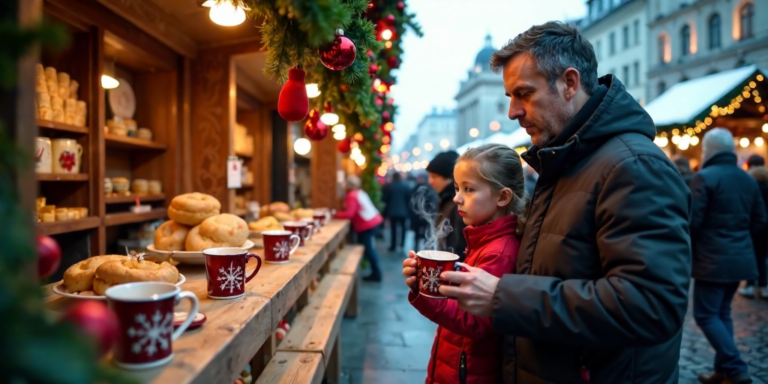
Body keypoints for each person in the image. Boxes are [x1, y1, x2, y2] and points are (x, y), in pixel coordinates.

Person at [437, 21, 692, 383]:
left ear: (569, 84)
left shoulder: (633, 166)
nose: (512, 111)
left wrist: (503, 296)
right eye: (509, 96)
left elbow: (651, 305)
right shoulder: (564, 161)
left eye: (523, 94)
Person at [402, 143, 524, 384]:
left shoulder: (499, 252)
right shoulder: (482, 240)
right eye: (457, 188)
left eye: (468, 189)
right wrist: (425, 280)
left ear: (502, 196)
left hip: (467, 372)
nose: (457, 198)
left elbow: (474, 322)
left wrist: (426, 292)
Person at [688, 129, 767, 384]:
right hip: (740, 258)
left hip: (712, 260)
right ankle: (723, 372)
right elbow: (760, 221)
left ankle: (735, 367)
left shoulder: (704, 178)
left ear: (708, 150)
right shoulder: (748, 180)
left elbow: (693, 223)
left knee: (706, 315)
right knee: (721, 313)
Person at [334, 176, 384, 282]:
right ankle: (375, 273)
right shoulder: (359, 192)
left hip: (368, 225)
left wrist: (334, 214)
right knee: (370, 248)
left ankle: (377, 274)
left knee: (370, 249)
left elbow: (349, 214)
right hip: (373, 221)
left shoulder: (351, 196)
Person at [425, 151, 467, 259]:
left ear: (449, 177)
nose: (430, 181)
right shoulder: (446, 199)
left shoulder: (458, 204)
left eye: (434, 176)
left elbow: (457, 246)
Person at [741, 154, 768, 298]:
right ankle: (764, 286)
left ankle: (750, 285)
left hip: (753, 225)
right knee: (763, 257)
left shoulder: (748, 181)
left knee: (752, 256)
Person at [383, 172, 410, 252]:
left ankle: (393, 245)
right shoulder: (405, 186)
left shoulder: (390, 186)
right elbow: (409, 199)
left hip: (392, 211)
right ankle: (402, 244)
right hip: (404, 212)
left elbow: (385, 199)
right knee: (403, 228)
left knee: (393, 229)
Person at [408, 173, 434, 251]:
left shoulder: (415, 188)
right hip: (427, 216)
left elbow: (411, 203)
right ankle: (427, 250)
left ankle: (416, 249)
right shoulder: (430, 189)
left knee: (417, 234)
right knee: (427, 234)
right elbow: (433, 203)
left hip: (416, 216)